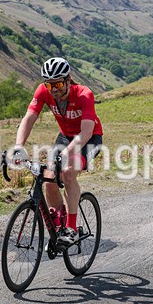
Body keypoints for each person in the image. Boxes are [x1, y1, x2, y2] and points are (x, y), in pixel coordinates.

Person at [13, 57, 103, 245]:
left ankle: (71, 228)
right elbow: (29, 118)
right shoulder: (43, 91)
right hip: (65, 137)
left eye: (59, 84)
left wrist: (65, 154)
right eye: (49, 84)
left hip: (89, 139)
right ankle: (58, 221)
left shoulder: (84, 94)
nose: (54, 89)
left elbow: (86, 132)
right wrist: (19, 146)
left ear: (68, 79)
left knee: (68, 172)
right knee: (48, 177)